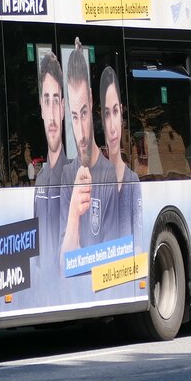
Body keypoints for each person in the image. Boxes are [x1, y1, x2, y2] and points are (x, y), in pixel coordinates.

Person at [63, 39, 117, 255]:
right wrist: (74, 214)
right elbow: (62, 265)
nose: (82, 134)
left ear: (92, 100)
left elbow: (114, 256)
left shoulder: (111, 175)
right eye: (74, 117)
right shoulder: (66, 177)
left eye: (84, 113)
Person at [33, 52, 72, 275]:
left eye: (56, 100)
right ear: (41, 108)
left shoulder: (72, 176)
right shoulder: (39, 182)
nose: (52, 113)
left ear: (64, 107)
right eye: (46, 100)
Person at [99, 66, 142, 241]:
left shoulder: (133, 182)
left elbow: (138, 243)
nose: (112, 128)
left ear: (122, 113)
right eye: (107, 114)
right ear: (102, 119)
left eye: (115, 111)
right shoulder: (96, 183)